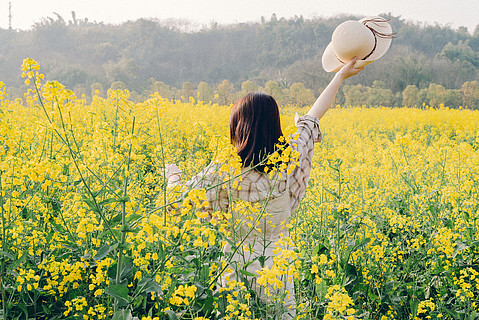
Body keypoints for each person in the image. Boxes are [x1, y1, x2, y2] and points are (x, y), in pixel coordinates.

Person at [164, 57, 363, 319]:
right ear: (275, 125)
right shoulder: (289, 156)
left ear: (238, 126)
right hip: (278, 268)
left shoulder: (224, 169)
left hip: (237, 269)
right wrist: (339, 76)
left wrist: (173, 174)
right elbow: (313, 117)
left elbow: (176, 203)